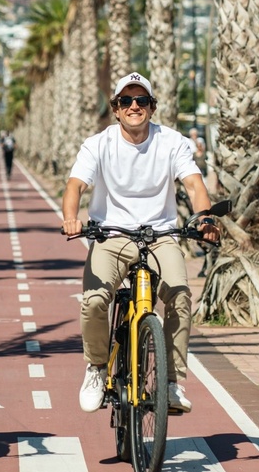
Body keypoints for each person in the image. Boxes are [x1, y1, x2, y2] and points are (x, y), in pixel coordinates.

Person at [62, 72, 219, 414]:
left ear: (152, 107)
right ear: (116, 109)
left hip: (161, 237)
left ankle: (173, 383)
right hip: (111, 236)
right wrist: (72, 218)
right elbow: (75, 186)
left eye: (142, 100)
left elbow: (193, 184)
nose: (135, 106)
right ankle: (96, 368)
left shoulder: (172, 142)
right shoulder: (98, 144)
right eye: (126, 101)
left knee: (179, 296)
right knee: (93, 301)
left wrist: (204, 218)